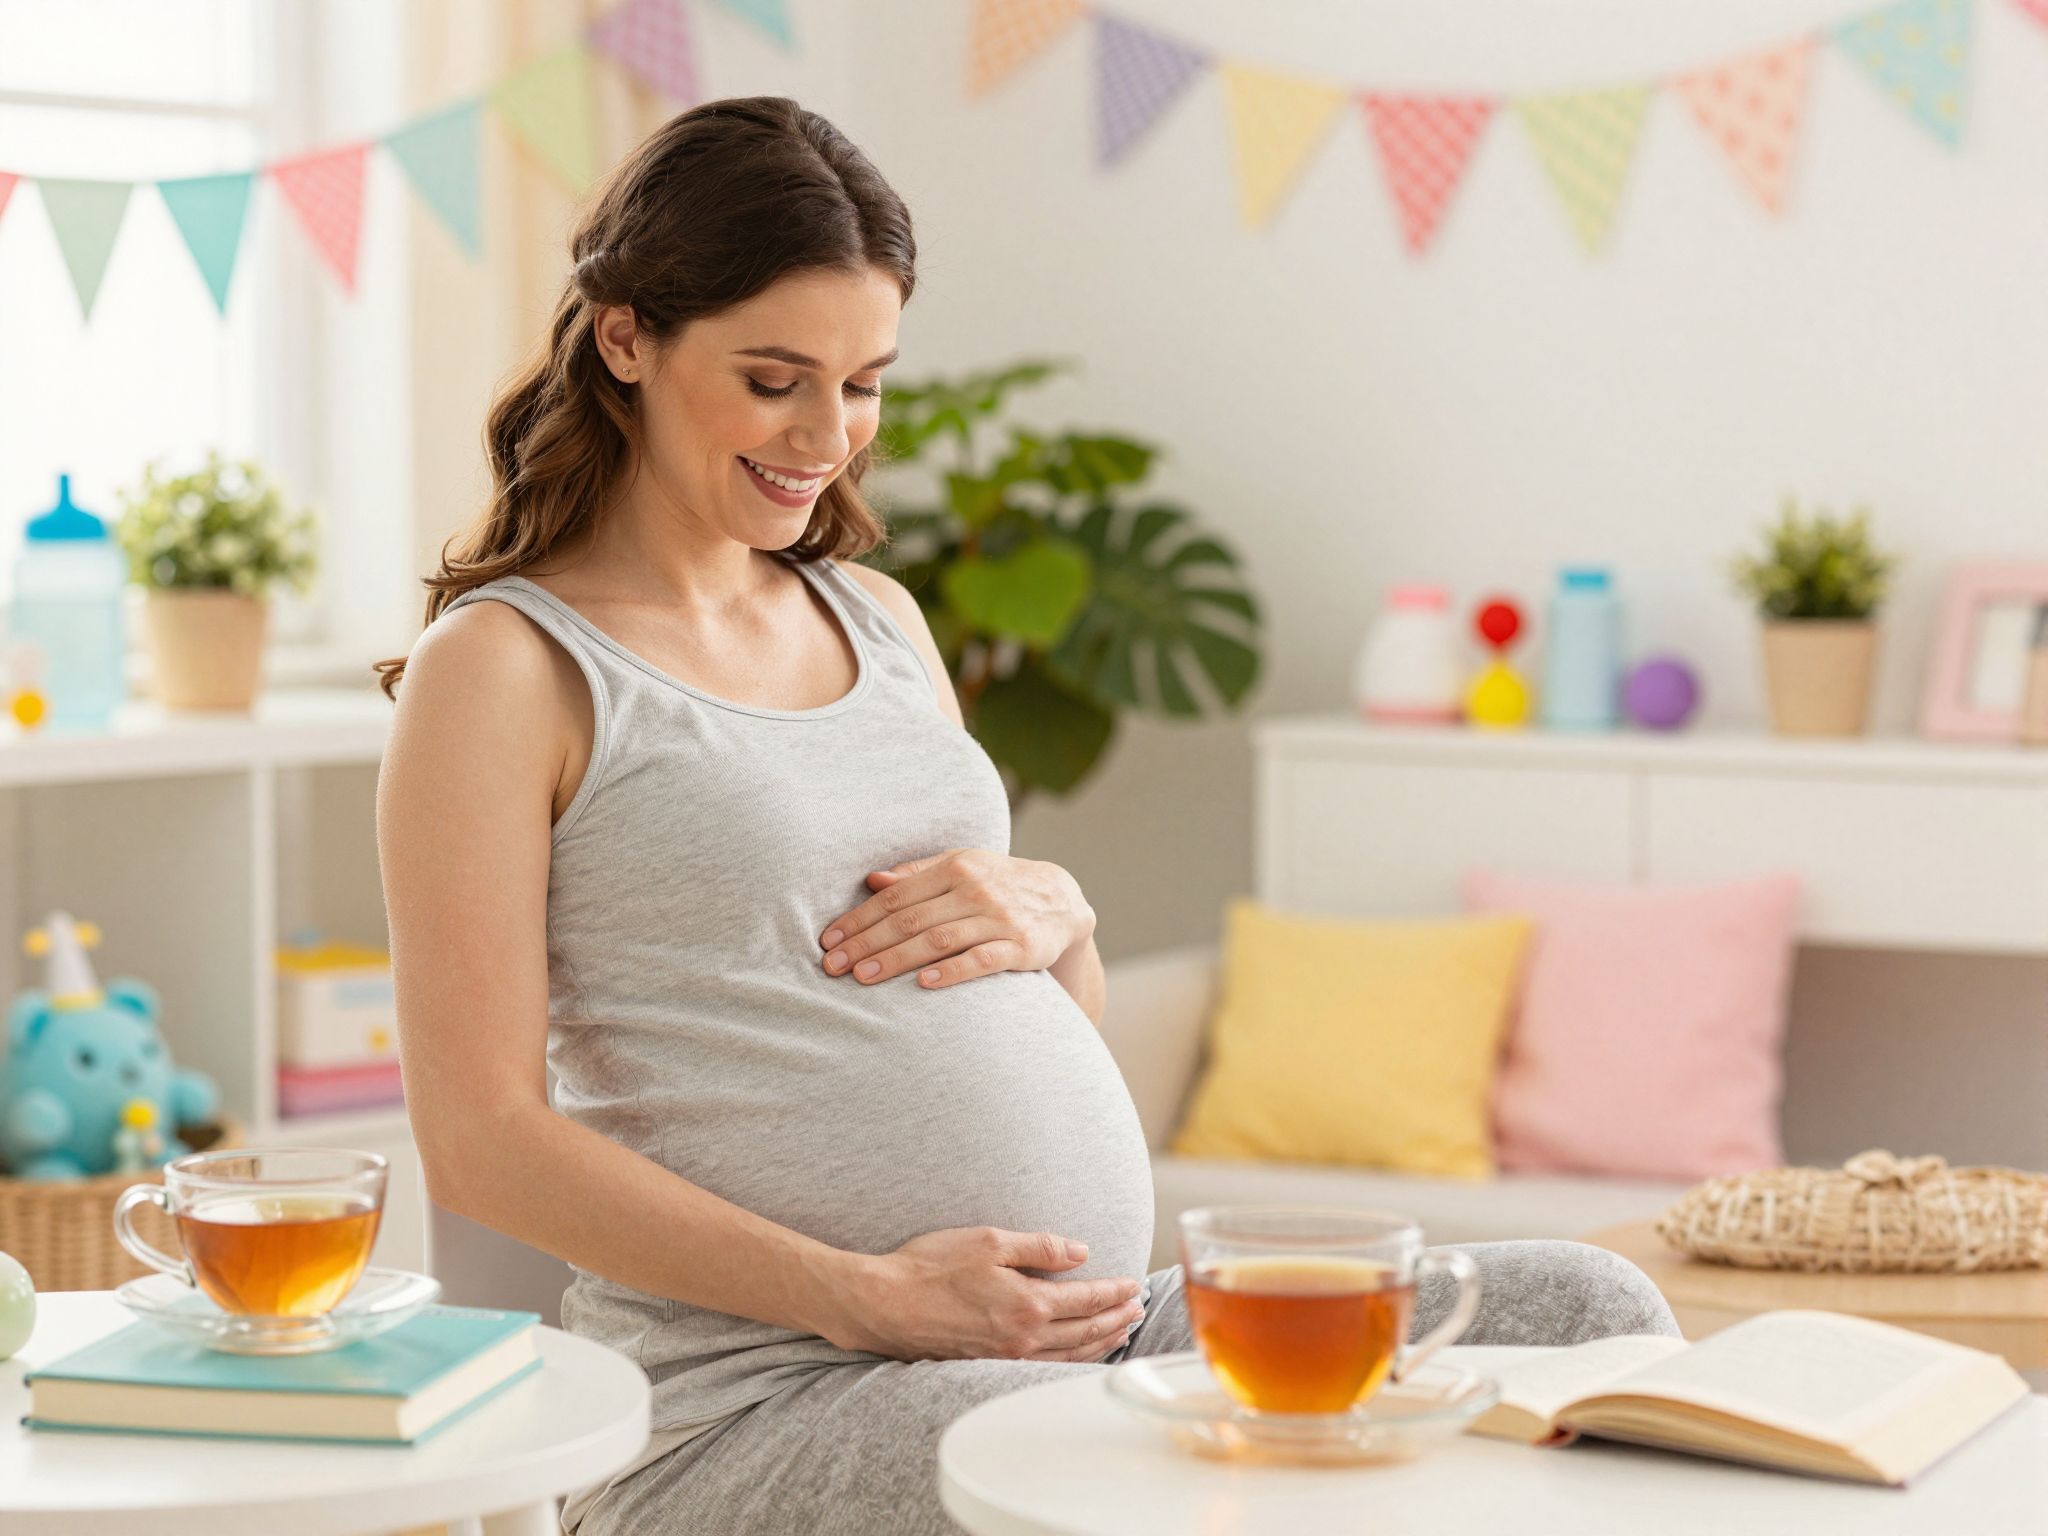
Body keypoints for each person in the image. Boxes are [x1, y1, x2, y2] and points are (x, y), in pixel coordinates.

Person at [374, 96, 1677, 1536]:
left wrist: (1059, 916)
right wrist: (867, 1299)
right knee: (1121, 1466)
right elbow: (478, 1137)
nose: (828, 437)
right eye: (773, 379)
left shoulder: (874, 617)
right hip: (771, 1403)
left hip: (1080, 1347)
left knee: (1587, 1311)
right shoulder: (506, 670)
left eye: (864, 384)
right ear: (628, 338)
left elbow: (1037, 1011)